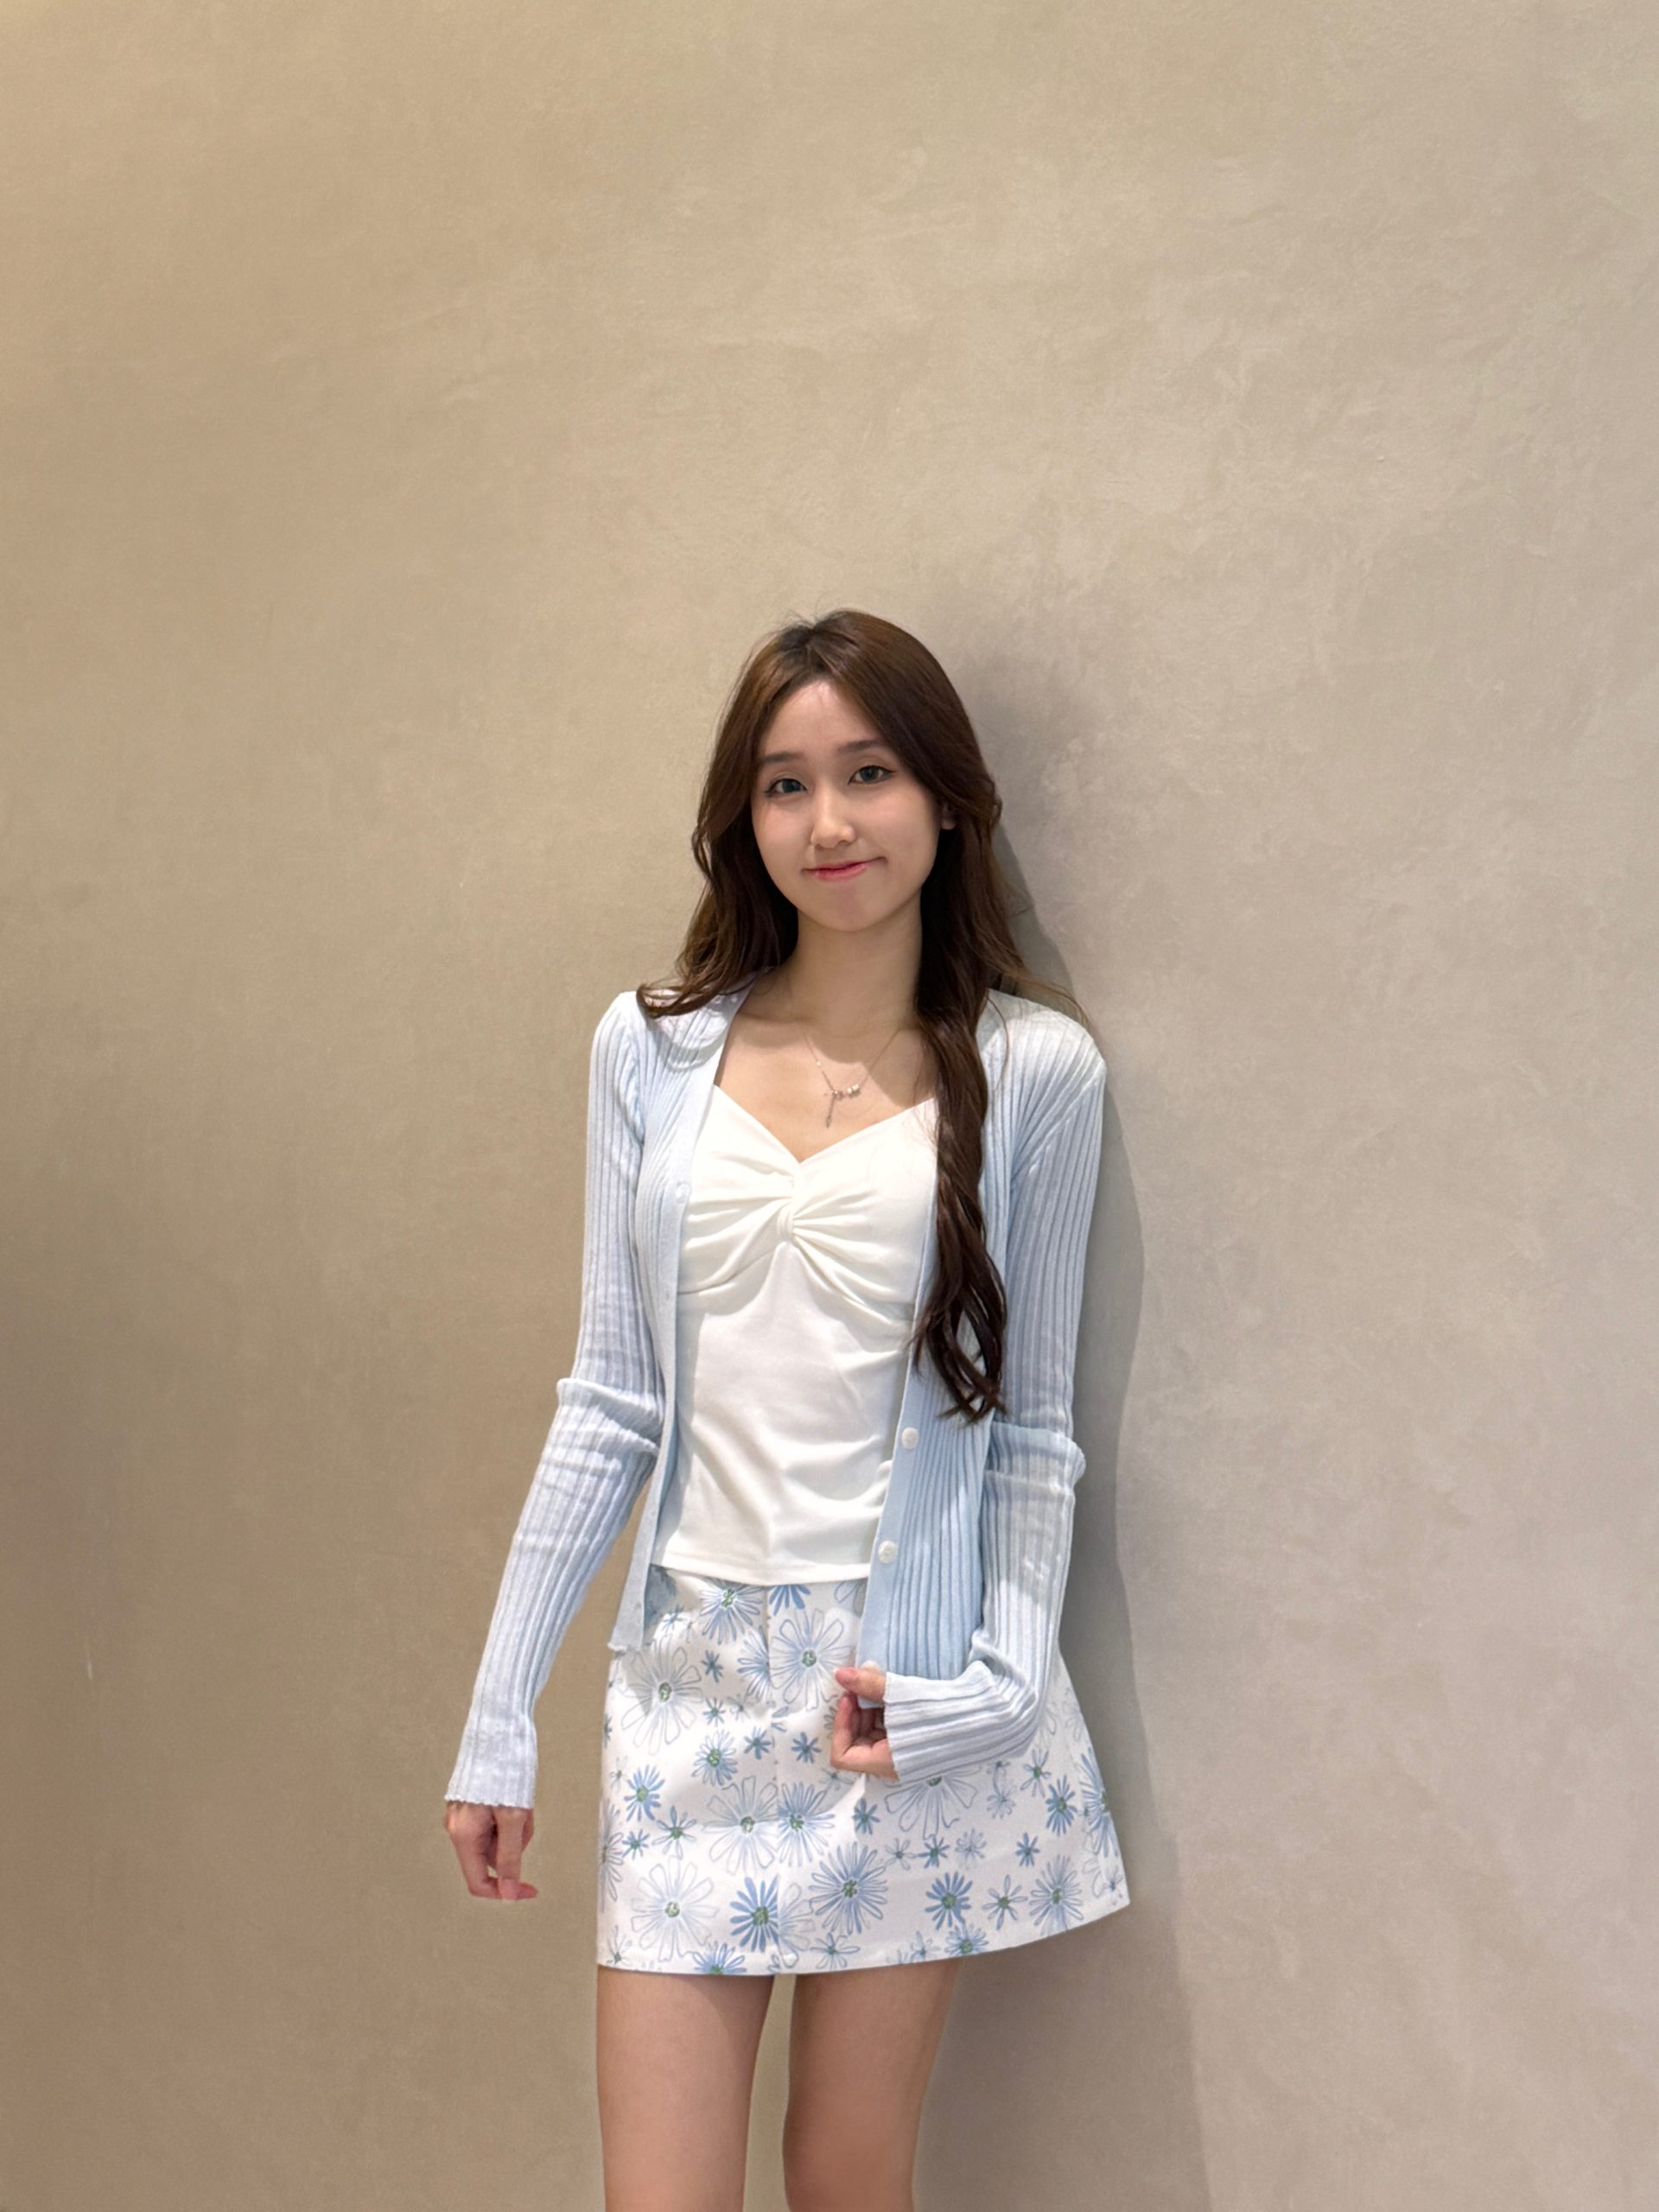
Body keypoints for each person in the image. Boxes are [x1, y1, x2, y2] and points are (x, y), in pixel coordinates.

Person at [442, 607, 1129, 2210]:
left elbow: (1030, 1432)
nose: (831, 823)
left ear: (944, 798)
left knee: (845, 2174)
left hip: (891, 1690)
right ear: (741, 818)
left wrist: (990, 1692)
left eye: (870, 773)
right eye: (785, 783)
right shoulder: (652, 1051)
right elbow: (611, 1402)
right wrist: (499, 1715)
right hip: (685, 1681)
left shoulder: (1035, 1071)